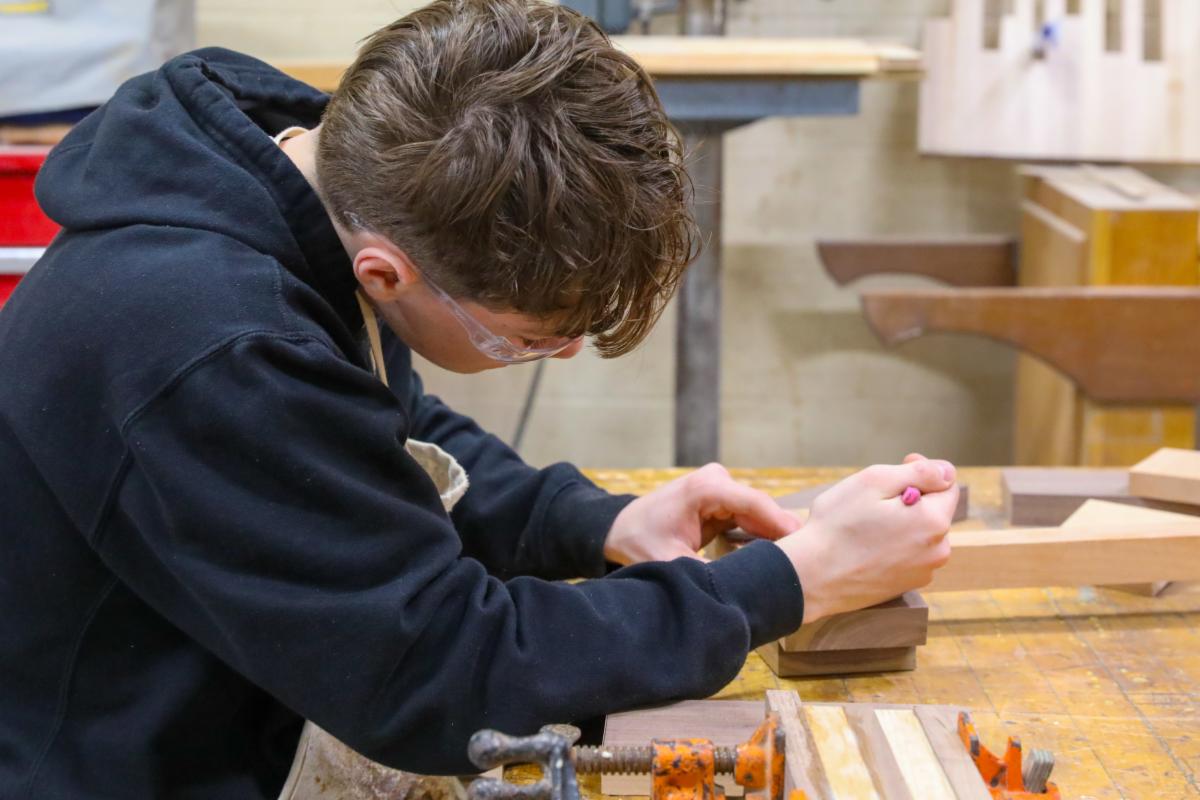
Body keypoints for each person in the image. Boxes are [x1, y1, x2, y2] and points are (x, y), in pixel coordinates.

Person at [0, 1, 958, 797]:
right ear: (386, 273)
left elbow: (376, 427)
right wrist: (793, 581)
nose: (560, 354)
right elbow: (442, 674)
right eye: (531, 340)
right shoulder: (213, 344)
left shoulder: (308, 184)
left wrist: (594, 522)